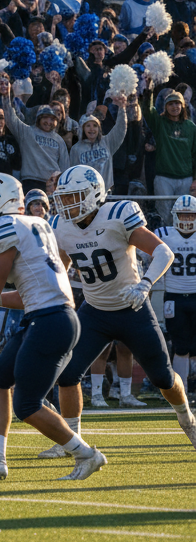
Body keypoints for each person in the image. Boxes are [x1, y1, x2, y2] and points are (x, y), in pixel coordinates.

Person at [0, 172, 105, 481]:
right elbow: (24, 295)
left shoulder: (3, 227)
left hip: (49, 321)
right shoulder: (38, 224)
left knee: (27, 405)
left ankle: (86, 454)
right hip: (54, 316)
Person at [50, 166, 194, 461]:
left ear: (93, 195)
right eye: (63, 198)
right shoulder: (60, 226)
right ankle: (71, 441)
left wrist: (145, 284)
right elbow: (61, 270)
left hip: (133, 309)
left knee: (164, 379)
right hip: (94, 311)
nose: (67, 204)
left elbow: (163, 252)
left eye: (74, 197)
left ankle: (187, 419)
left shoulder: (117, 214)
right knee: (67, 375)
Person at [154, 195, 196, 401]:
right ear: (175, 215)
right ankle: (182, 391)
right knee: (180, 345)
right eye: (183, 215)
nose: (186, 220)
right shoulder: (163, 234)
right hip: (174, 297)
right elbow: (146, 256)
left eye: (190, 215)